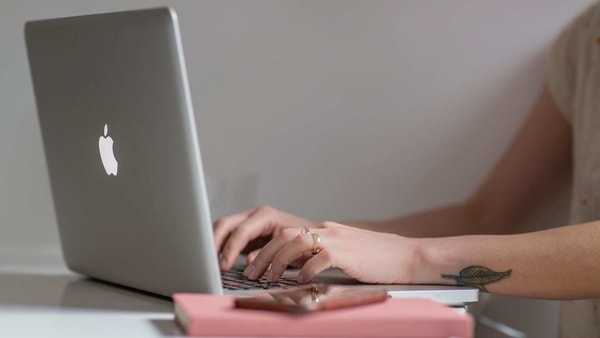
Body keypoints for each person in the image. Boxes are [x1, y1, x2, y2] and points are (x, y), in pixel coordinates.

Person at [213, 2, 600, 336]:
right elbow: (486, 215)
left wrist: (412, 258)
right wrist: (312, 239)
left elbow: (419, 253)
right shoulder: (586, 39)